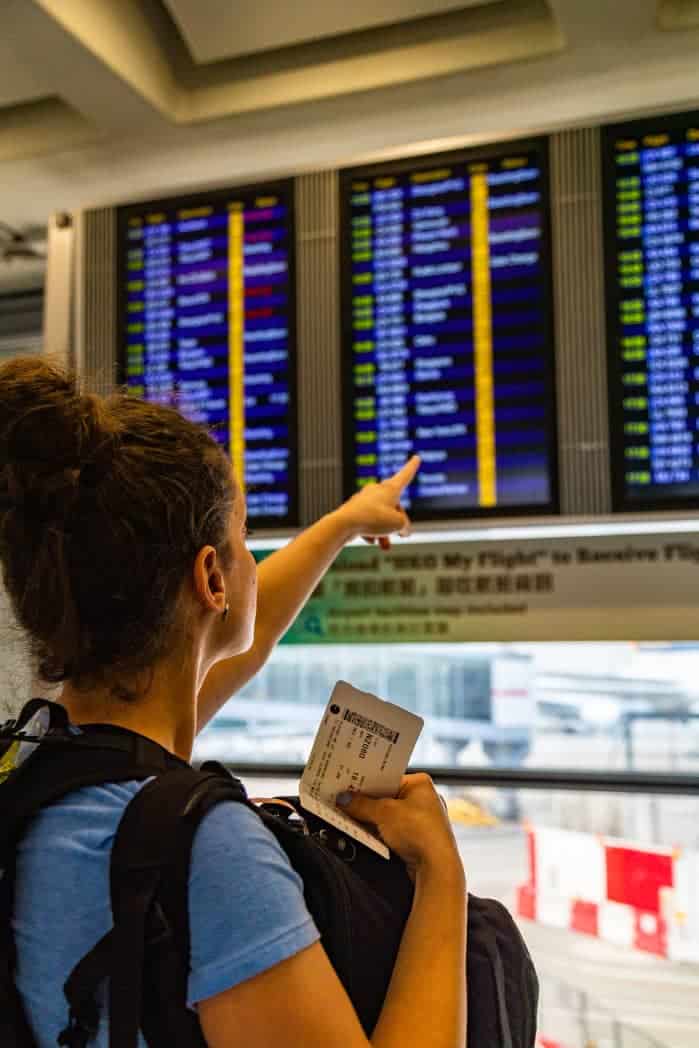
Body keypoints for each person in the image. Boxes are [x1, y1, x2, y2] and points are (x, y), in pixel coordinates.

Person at [0, 356, 467, 1048]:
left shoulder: (33, 763)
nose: (251, 558)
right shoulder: (202, 850)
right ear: (212, 576)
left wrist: (338, 526)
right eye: (242, 537)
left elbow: (217, 650)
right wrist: (440, 877)